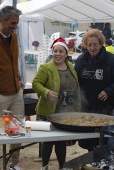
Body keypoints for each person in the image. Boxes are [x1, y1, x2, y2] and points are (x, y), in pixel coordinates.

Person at [32, 37, 81, 170]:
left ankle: (61, 166)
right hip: (49, 110)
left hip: (66, 111)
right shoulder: (46, 68)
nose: (57, 54)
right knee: (48, 140)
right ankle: (45, 166)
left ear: (66, 54)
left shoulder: (70, 66)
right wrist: (46, 92)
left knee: (61, 141)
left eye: (60, 51)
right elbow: (36, 83)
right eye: (55, 51)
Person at [74, 29, 114, 151]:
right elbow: (75, 80)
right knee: (90, 143)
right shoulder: (81, 60)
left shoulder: (111, 59)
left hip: (107, 108)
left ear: (101, 44)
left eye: (95, 45)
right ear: (85, 45)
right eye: (89, 45)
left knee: (109, 142)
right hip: (88, 107)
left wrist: (110, 90)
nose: (92, 48)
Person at [0, 6, 24, 170]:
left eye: (17, 23)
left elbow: (14, 61)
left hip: (16, 92)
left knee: (16, 130)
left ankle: (14, 164)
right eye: (12, 23)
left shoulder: (14, 37)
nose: (15, 26)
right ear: (2, 20)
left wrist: (18, 79)